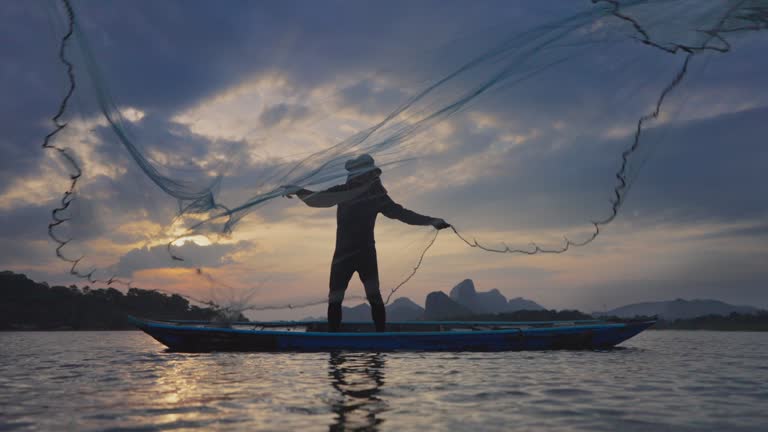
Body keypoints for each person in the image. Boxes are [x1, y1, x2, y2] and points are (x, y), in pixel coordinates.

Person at [283, 154, 449, 332]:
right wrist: (299, 191)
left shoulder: (376, 196)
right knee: (335, 298)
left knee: (374, 297)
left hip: (365, 253)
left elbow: (402, 214)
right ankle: (333, 343)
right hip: (343, 255)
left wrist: (432, 220)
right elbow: (318, 199)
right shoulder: (344, 192)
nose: (365, 177)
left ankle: (380, 338)